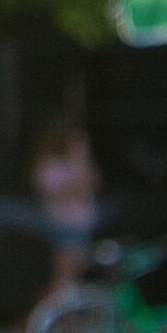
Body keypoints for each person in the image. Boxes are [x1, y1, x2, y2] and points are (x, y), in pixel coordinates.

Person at [31, 117, 105, 302]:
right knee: (64, 277)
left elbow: (94, 185)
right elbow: (75, 191)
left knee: (76, 277)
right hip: (64, 224)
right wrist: (77, 160)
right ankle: (57, 318)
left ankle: (69, 319)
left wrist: (83, 157)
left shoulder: (79, 163)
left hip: (82, 224)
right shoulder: (51, 165)